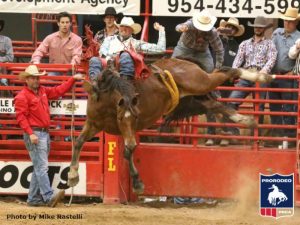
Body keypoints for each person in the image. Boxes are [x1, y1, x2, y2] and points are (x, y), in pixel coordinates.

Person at [14, 65, 84, 207]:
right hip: (35, 133)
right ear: (27, 80)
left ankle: (33, 198)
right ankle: (48, 196)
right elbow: (21, 117)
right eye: (33, 78)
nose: (36, 80)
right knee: (41, 167)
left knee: (38, 166)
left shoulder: (42, 91)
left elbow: (58, 90)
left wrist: (72, 80)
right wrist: (30, 133)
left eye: (37, 77)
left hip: (43, 133)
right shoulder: (22, 96)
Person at [172, 10, 224, 146]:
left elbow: (219, 50)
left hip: (202, 53)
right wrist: (182, 28)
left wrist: (217, 67)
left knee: (209, 82)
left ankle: (214, 94)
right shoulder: (190, 24)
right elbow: (179, 26)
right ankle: (169, 94)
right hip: (185, 48)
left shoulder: (212, 32)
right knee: (170, 70)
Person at [226, 16, 277, 138]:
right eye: (256, 27)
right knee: (231, 102)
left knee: (258, 107)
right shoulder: (244, 44)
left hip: (260, 75)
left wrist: (263, 72)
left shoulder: (270, 44)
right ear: (253, 28)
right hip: (246, 75)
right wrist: (234, 72)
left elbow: (271, 59)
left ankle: (256, 137)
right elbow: (238, 60)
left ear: (264, 29)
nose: (258, 29)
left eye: (260, 27)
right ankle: (233, 131)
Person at [88, 16, 166, 82]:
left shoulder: (136, 43)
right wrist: (110, 60)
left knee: (125, 55)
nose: (124, 29)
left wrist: (161, 31)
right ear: (119, 28)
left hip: (125, 67)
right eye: (122, 26)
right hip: (109, 64)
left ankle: (125, 82)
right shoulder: (109, 39)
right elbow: (103, 52)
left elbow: (160, 49)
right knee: (94, 60)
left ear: (132, 30)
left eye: (127, 27)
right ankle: (95, 84)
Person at [268, 7, 300, 148]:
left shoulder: (299, 37)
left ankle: (288, 139)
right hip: (274, 76)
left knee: (288, 108)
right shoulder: (276, 33)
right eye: (285, 20)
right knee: (274, 107)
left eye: (290, 21)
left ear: (295, 23)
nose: (287, 23)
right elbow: (270, 51)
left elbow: (298, 59)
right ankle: (277, 138)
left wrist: (293, 72)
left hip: (289, 77)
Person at [214, 17, 245, 146]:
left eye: (233, 28)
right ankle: (214, 135)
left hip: (229, 82)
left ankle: (228, 135)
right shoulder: (215, 41)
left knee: (228, 108)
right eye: (229, 27)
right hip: (215, 80)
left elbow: (239, 63)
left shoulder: (237, 46)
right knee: (213, 108)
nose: (230, 29)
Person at [0, 19, 14, 87]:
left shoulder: (6, 40)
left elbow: (10, 57)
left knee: (3, 66)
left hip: (3, 67)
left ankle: (4, 84)